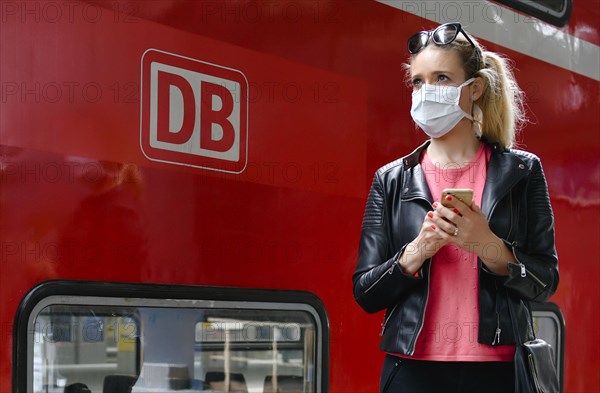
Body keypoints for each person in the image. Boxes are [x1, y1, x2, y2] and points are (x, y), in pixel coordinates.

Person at [352, 22, 559, 393]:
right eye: (417, 81)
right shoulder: (391, 179)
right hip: (412, 372)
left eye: (442, 78)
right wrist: (419, 249)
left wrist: (490, 247)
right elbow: (366, 293)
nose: (425, 92)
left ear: (475, 87)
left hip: (499, 373)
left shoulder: (523, 172)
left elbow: (546, 281)